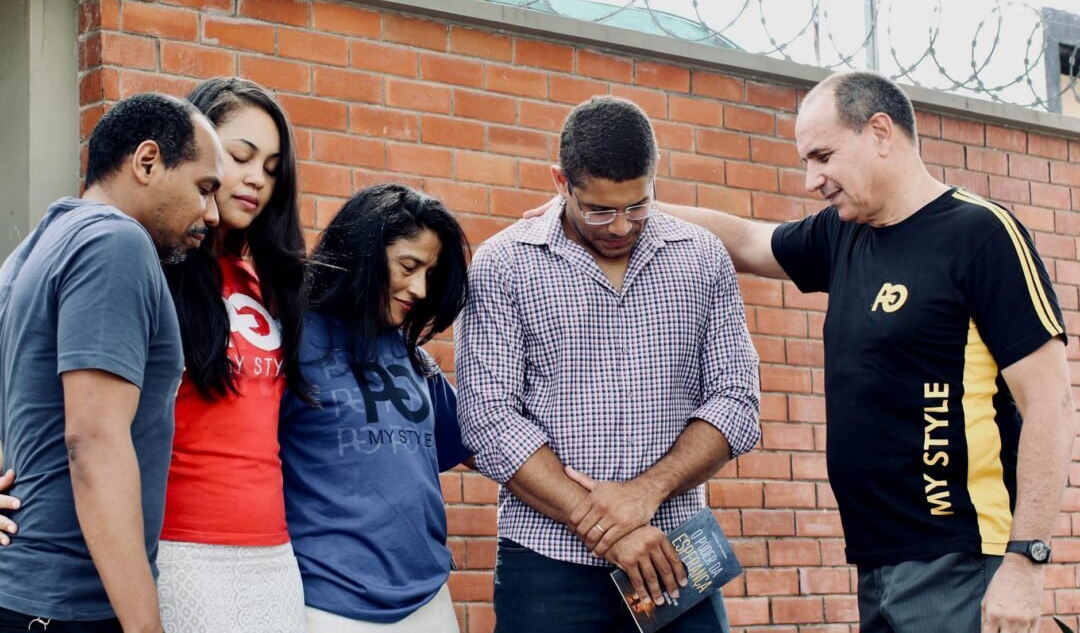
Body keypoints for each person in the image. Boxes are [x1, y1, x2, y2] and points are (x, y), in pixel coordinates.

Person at [663, 71, 1073, 632]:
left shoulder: (981, 235)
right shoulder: (842, 235)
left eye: (823, 155)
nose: (813, 179)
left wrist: (1027, 560)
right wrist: (627, 210)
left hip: (959, 559)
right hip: (876, 561)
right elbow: (744, 240)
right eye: (807, 161)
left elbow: (1050, 403)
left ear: (880, 131)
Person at [456, 96, 761, 632]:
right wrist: (613, 528)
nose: (621, 226)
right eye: (598, 209)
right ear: (560, 181)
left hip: (675, 552)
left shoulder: (703, 258)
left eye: (638, 205)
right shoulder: (503, 264)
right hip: (546, 563)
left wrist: (645, 493)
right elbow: (489, 422)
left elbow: (737, 400)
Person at [0, 94, 223, 632]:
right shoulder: (114, 242)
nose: (212, 214)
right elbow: (93, 441)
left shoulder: (34, 248)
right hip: (69, 604)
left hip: (24, 594)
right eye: (204, 187)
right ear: (147, 162)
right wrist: (145, 626)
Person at [279, 184, 473, 632]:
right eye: (409, 265)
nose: (421, 288)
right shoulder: (292, 340)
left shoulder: (411, 357)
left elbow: (481, 443)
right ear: (364, 252)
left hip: (427, 600)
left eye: (430, 272)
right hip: (328, 604)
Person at [156, 77, 311, 632]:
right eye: (241, 157)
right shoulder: (151, 268)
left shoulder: (275, 284)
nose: (256, 180)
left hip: (274, 554)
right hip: (181, 549)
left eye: (271, 168)